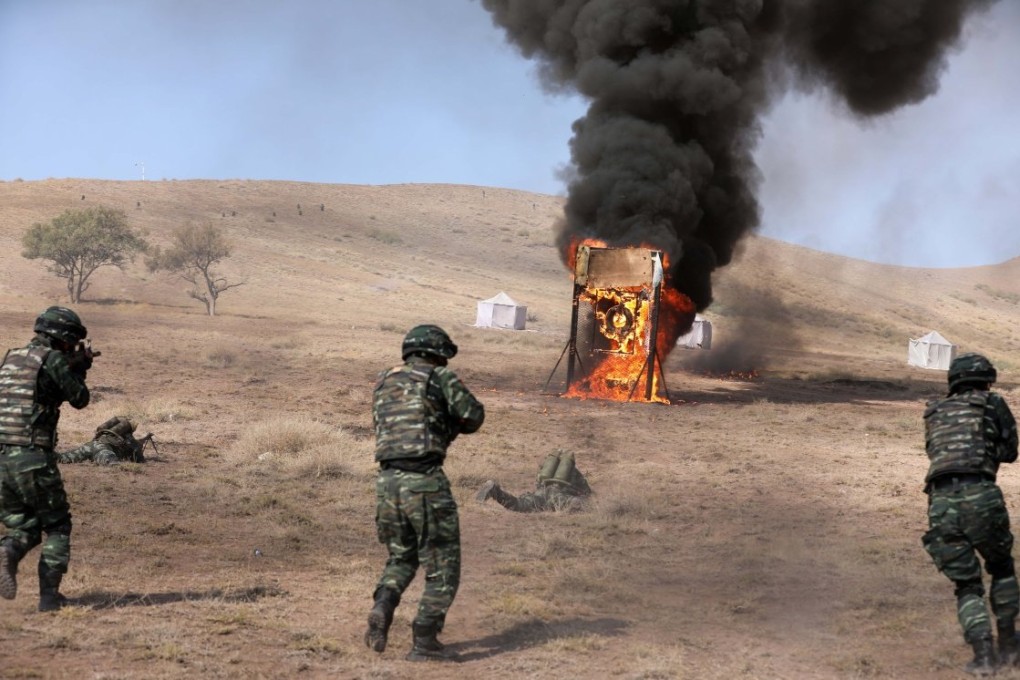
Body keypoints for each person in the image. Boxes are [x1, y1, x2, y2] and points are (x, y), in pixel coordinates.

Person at [364, 324, 484, 662]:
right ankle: (424, 640)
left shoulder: (383, 379)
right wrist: (449, 423)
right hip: (424, 482)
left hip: (387, 483)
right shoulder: (440, 378)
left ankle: (382, 607)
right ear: (437, 353)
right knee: (443, 564)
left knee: (401, 557)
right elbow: (474, 416)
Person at [921, 353, 1020, 675]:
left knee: (967, 585)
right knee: (1001, 568)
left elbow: (935, 451)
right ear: (986, 379)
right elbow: (1010, 452)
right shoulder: (992, 403)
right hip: (980, 492)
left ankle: (983, 656)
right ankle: (1008, 645)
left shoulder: (934, 411)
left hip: (939, 501)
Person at [0, 307, 92, 612]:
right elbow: (80, 398)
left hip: (3, 460)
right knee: (58, 526)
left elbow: (34, 394)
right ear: (61, 337)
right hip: (32, 458)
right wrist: (80, 368)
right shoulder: (52, 359)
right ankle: (50, 598)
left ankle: (8, 552)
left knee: (25, 526)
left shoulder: (11, 358)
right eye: (70, 342)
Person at [476, 449, 592, 512]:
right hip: (559, 495)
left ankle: (495, 490)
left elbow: (538, 482)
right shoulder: (574, 472)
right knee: (580, 505)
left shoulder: (546, 470)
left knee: (518, 504)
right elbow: (586, 491)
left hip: (542, 492)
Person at [58, 416, 151, 465]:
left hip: (92, 444)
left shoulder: (110, 433)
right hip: (103, 449)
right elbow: (139, 459)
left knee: (64, 457)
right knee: (112, 462)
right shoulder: (129, 438)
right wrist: (140, 447)